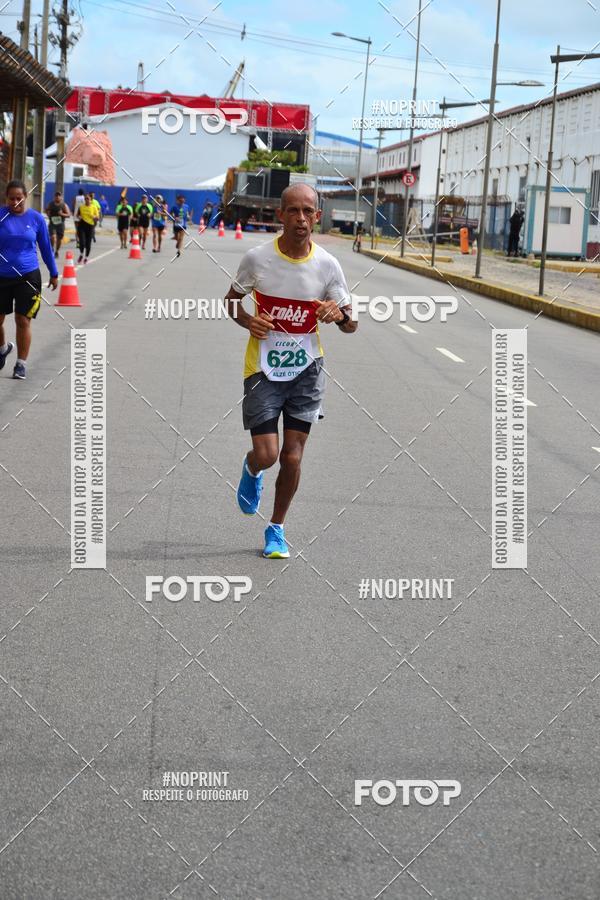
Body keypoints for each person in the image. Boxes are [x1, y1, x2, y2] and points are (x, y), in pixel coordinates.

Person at [224, 183, 357, 558]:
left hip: (307, 370)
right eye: (293, 211)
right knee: (267, 454)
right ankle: (252, 470)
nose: (301, 219)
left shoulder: (328, 265)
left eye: (308, 211)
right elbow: (231, 302)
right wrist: (248, 321)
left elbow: (352, 323)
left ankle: (276, 529)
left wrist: (339, 315)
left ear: (317, 216)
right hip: (263, 368)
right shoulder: (257, 259)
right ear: (280, 215)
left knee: (292, 456)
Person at [0, 179, 59, 380]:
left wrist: (54, 272)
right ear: (6, 198)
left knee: (22, 319)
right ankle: (2, 349)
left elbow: (45, 248)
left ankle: (20, 364)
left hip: (28, 276)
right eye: (11, 198)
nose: (15, 202)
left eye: (19, 198)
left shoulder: (36, 219)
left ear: (25, 197)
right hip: (2, 276)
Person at [45, 190, 70, 258]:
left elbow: (68, 214)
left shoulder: (64, 205)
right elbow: (47, 209)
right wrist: (48, 214)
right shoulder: (51, 204)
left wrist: (62, 214)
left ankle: (57, 251)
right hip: (52, 223)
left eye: (59, 196)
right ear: (54, 197)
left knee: (59, 239)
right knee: (53, 237)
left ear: (61, 197)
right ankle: (52, 249)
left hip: (60, 224)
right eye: (56, 196)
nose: (57, 197)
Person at [75, 193, 98, 264]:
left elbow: (97, 217)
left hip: (90, 226)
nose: (86, 200)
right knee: (82, 242)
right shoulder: (81, 207)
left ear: (91, 200)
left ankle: (86, 257)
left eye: (88, 199)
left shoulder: (94, 207)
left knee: (88, 244)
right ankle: (81, 254)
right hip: (82, 225)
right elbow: (77, 215)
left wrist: (94, 217)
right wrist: (79, 217)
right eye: (85, 199)